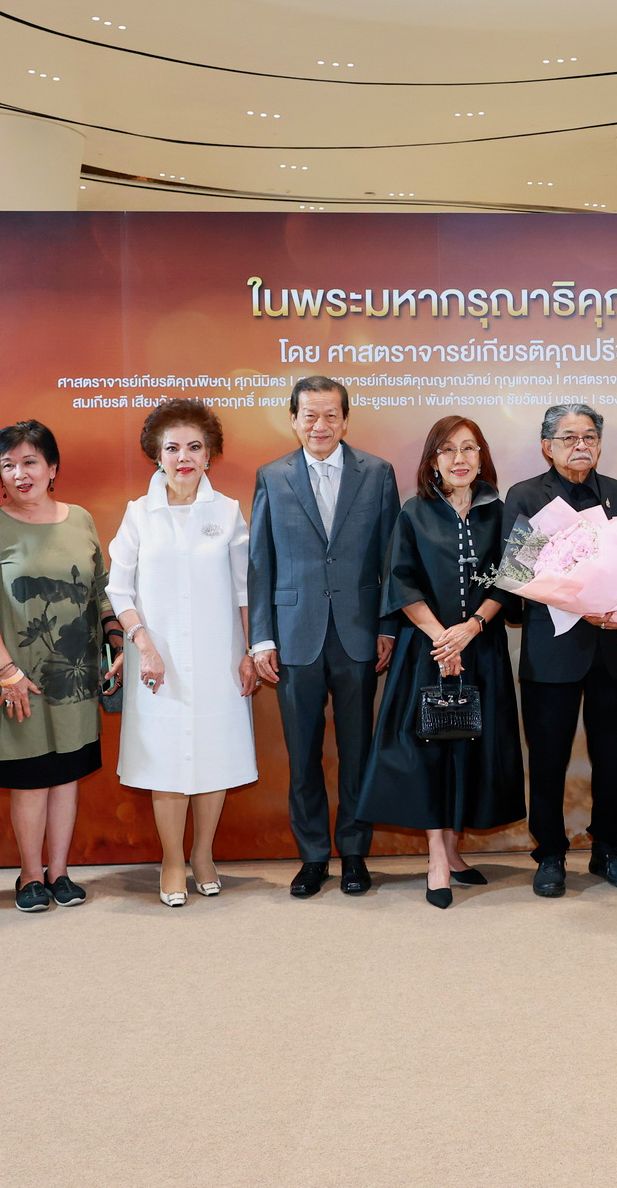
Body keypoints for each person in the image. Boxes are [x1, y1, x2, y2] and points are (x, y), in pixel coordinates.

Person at [357, 416, 525, 909]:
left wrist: (471, 628)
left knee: (470, 747)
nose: (459, 459)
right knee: (429, 750)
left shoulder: (506, 510)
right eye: (448, 450)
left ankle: (454, 851)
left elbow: (516, 576)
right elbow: (401, 581)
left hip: (482, 649)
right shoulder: (414, 512)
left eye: (469, 448)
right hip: (425, 654)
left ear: (482, 456)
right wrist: (441, 640)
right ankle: (435, 856)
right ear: (433, 460)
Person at [249, 376, 399, 900]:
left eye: (330, 415)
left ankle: (355, 852)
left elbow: (390, 559)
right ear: (293, 419)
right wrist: (261, 638)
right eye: (309, 415)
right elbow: (260, 563)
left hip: (359, 634)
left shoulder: (378, 474)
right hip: (294, 637)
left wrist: (387, 626)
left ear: (345, 419)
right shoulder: (272, 476)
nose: (320, 425)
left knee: (358, 750)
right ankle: (313, 856)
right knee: (302, 754)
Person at [107, 400, 259, 908]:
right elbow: (119, 591)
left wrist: (248, 652)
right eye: (172, 448)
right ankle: (172, 860)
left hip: (220, 657)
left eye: (194, 447)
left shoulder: (227, 512)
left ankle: (202, 855)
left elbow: (244, 590)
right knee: (166, 761)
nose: (184, 457)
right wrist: (143, 645)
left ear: (209, 454)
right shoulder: (137, 514)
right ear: (157, 455)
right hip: (158, 662)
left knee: (213, 757)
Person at [0, 420, 119, 913]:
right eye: (8, 465)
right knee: (30, 779)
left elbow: (101, 590)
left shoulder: (81, 519)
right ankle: (29, 876)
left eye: (30, 462)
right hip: (16, 678)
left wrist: (115, 642)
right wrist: (7, 671)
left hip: (74, 674)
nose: (19, 473)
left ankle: (60, 872)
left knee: (65, 776)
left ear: (53, 467)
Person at [502, 403, 617, 899]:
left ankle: (608, 847)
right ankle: (551, 852)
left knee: (610, 755)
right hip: (551, 650)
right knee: (548, 757)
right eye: (568, 437)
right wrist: (578, 604)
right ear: (547, 445)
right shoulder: (525, 495)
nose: (580, 445)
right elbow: (517, 576)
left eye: (589, 437)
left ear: (599, 444)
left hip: (610, 649)